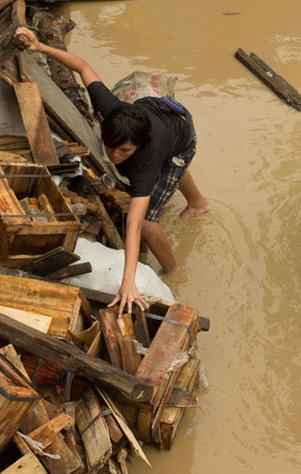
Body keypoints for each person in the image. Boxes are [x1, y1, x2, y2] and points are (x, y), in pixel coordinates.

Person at [13, 26, 209, 313]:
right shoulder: (112, 109)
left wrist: (127, 280)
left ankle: (173, 268)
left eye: (124, 151)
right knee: (172, 169)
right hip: (160, 112)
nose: (114, 156)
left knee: (149, 220)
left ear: (140, 146)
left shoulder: (146, 163)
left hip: (180, 133)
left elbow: (134, 225)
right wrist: (40, 47)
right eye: (109, 147)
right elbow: (83, 66)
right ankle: (198, 202)